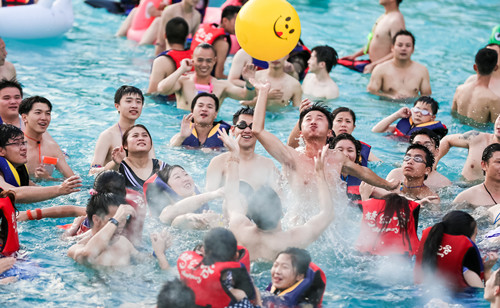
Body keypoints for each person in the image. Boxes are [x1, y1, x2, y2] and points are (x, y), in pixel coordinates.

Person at [251, 80, 398, 212]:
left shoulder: (337, 157)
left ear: (329, 132)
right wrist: (263, 92)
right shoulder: (290, 156)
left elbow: (363, 172)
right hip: (300, 224)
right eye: (308, 119)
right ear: (301, 133)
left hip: (333, 225)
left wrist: (387, 185)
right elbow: (257, 130)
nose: (313, 121)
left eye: (319, 118)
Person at [220, 128, 335, 261]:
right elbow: (328, 213)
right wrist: (320, 173)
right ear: (280, 212)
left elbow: (231, 195)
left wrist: (234, 155)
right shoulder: (291, 240)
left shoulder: (240, 228)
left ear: (250, 212)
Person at [67, 193, 170, 267]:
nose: (121, 225)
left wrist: (158, 252)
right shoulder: (76, 248)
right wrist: (116, 219)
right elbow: (88, 255)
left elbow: (146, 262)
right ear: (96, 219)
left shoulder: (123, 242)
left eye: (124, 218)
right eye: (118, 219)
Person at [157, 43, 256, 111]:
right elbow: (161, 89)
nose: (204, 65)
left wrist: (248, 82)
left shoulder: (222, 86)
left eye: (208, 61)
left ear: (214, 61)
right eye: (200, 60)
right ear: (193, 59)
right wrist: (181, 70)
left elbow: (247, 96)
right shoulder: (183, 82)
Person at [177, 227, 260, 308]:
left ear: (204, 253)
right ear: (236, 256)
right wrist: (258, 301)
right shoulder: (239, 298)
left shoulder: (183, 287)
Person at [414, 211, 498, 290]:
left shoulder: (428, 254)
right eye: (475, 236)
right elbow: (488, 297)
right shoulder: (468, 273)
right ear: (466, 238)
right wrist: (487, 271)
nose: (475, 241)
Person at [0, 124, 81, 203]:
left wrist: (50, 180)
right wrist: (59, 189)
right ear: (1, 150)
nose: (24, 148)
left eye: (23, 142)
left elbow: (38, 190)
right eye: (16, 143)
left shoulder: (19, 170)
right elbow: (12, 193)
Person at [205, 106, 279, 191]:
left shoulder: (268, 165)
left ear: (258, 132)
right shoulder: (218, 162)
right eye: (242, 125)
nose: (247, 130)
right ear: (233, 130)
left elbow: (279, 200)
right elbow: (209, 199)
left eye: (252, 126)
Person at [90, 85, 153, 175]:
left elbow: (154, 169)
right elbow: (92, 172)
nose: (134, 105)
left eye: (138, 102)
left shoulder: (144, 137)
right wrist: (115, 163)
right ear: (117, 106)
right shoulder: (108, 135)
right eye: (129, 101)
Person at [288, 105, 380, 163]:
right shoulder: (319, 142)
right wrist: (302, 117)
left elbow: (381, 165)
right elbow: (291, 147)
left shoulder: (360, 147)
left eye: (348, 121)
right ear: (330, 125)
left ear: (353, 127)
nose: (343, 125)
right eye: (339, 121)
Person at [143, 164, 223, 229]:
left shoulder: (202, 208)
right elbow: (175, 218)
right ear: (168, 188)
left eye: (186, 174)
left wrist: (214, 221)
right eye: (177, 177)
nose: (185, 179)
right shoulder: (165, 212)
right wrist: (215, 194)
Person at [339, 0, 405, 73]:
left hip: (383, 71)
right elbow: (375, 42)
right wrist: (354, 56)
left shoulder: (396, 20)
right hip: (373, 66)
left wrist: (373, 65)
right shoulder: (384, 16)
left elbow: (398, 51)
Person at [19, 96, 74, 179]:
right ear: (24, 117)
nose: (44, 118)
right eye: (38, 113)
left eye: (47, 113)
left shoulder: (52, 148)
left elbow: (73, 180)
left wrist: (48, 179)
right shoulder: (15, 147)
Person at [367, 30, 431, 100]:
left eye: (408, 46)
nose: (403, 49)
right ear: (392, 47)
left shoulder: (422, 71)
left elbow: (427, 97)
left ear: (413, 49)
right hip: (387, 106)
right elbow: (371, 93)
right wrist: (389, 96)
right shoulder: (380, 69)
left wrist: (411, 99)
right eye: (400, 45)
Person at [363, 144, 439, 202]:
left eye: (417, 159)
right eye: (407, 157)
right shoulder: (393, 184)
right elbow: (367, 187)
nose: (409, 161)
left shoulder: (431, 199)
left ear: (427, 170)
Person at [105, 124, 167, 192]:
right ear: (125, 145)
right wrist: (116, 163)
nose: (141, 138)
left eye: (145, 135)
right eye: (135, 136)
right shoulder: (120, 166)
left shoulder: (163, 167)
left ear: (151, 143)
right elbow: (105, 174)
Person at [437, 115, 500, 182]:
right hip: (460, 187)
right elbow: (447, 140)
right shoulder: (477, 138)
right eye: (499, 118)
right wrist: (432, 165)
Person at [385, 129, 451, 192]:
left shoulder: (443, 183)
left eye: (427, 145)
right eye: (417, 145)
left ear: (437, 151)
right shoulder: (395, 175)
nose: (421, 149)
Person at [261, 248, 326, 307]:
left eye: (285, 267)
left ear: (299, 276)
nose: (277, 271)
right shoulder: (275, 288)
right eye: (275, 265)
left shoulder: (304, 305)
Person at [190, 5, 240, 79]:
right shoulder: (222, 44)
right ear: (225, 20)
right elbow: (218, 75)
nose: (239, 26)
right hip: (202, 79)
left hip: (190, 72)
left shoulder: (205, 28)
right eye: (236, 22)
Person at [452, 47, 500, 124]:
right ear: (495, 68)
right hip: (478, 134)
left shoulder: (460, 89)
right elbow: (496, 127)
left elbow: (453, 115)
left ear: (475, 67)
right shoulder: (493, 99)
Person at [147, 17, 192, 95]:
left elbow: (152, 94)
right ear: (187, 37)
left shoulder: (161, 61)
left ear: (165, 35)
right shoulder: (195, 57)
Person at [372, 96, 448, 139]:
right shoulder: (400, 127)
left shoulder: (430, 135)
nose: (419, 114)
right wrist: (397, 115)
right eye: (416, 110)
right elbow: (376, 130)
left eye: (425, 112)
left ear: (432, 118)